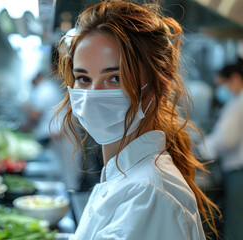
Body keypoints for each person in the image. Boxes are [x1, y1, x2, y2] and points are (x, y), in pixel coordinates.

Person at [54, 0, 220, 239]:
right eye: (83, 78)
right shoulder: (125, 176)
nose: (92, 96)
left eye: (115, 78)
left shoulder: (148, 196)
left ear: (158, 84)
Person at [199, 60, 243, 240]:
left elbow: (227, 139)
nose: (220, 90)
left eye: (221, 84)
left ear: (234, 78)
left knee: (236, 222)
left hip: (238, 172)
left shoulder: (239, 104)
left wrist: (203, 147)